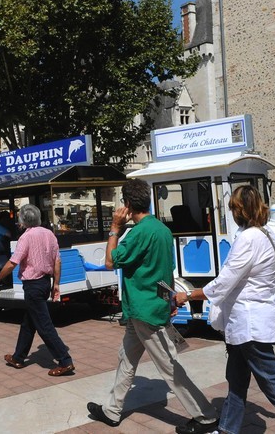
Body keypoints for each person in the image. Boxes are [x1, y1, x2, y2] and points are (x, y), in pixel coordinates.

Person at [174, 185, 275, 434]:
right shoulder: (268, 235)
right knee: (237, 380)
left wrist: (188, 294)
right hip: (252, 322)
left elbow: (225, 281)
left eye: (233, 209)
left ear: (240, 210)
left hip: (250, 325)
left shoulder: (249, 238)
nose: (233, 214)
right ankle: (227, 429)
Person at [87, 179, 218, 434]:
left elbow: (111, 261)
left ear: (126, 204)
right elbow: (166, 271)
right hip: (150, 306)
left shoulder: (138, 233)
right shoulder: (162, 229)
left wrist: (114, 228)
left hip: (144, 310)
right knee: (126, 359)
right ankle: (112, 410)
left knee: (168, 366)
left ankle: (205, 416)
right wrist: (169, 298)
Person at [0, 204, 75, 377]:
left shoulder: (26, 237)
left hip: (33, 285)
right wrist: (56, 284)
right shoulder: (49, 234)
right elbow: (57, 261)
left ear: (23, 220)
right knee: (29, 323)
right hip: (45, 282)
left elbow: (13, 263)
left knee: (44, 325)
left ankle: (65, 361)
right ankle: (18, 357)